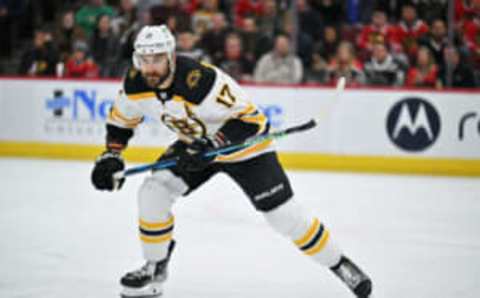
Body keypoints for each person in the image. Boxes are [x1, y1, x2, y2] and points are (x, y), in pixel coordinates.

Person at [90, 25, 373, 298]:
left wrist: (212, 145)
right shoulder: (135, 83)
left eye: (157, 59)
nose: (150, 67)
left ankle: (339, 263)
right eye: (144, 60)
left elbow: (253, 123)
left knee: (284, 218)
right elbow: (121, 121)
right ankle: (154, 268)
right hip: (194, 147)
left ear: (171, 57)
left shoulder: (201, 81)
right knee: (153, 192)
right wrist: (112, 155)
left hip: (244, 150)